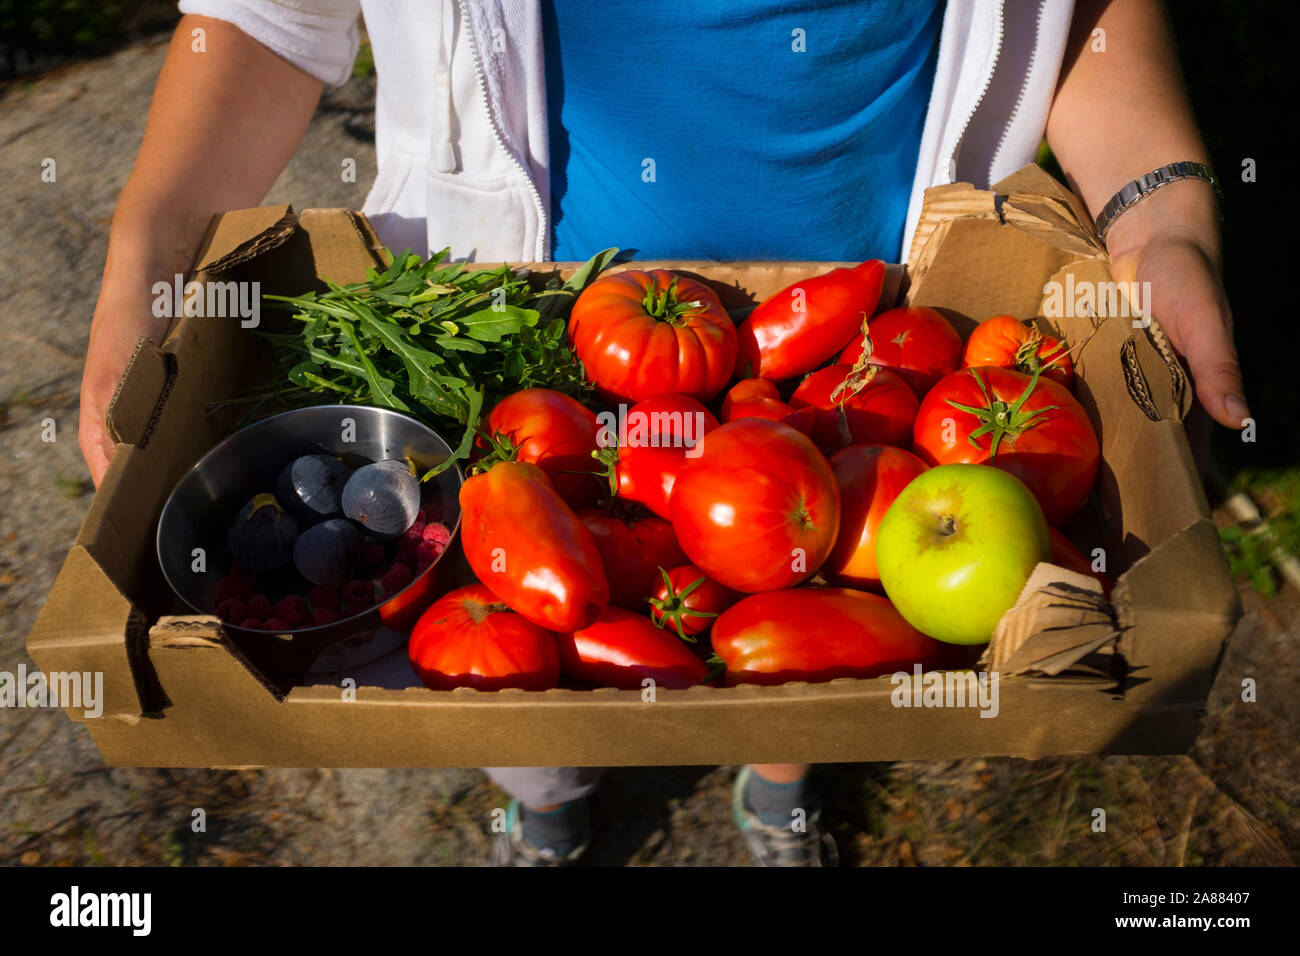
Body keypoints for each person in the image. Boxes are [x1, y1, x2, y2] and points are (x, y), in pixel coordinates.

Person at [78, 0, 1246, 867]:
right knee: (506, 655)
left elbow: (1090, 12)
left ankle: (780, 776)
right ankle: (543, 797)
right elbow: (269, 17)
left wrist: (1161, 209)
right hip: (509, 340)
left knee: (817, 631)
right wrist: (149, 245)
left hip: (872, 337)